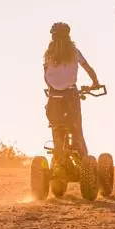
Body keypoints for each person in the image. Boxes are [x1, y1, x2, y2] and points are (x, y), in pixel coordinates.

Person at [43, 21, 100, 158]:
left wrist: (53, 87)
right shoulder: (74, 52)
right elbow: (88, 68)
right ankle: (84, 159)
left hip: (53, 95)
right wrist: (95, 83)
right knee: (76, 127)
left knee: (55, 125)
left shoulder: (48, 53)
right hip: (70, 94)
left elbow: (45, 75)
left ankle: (58, 156)